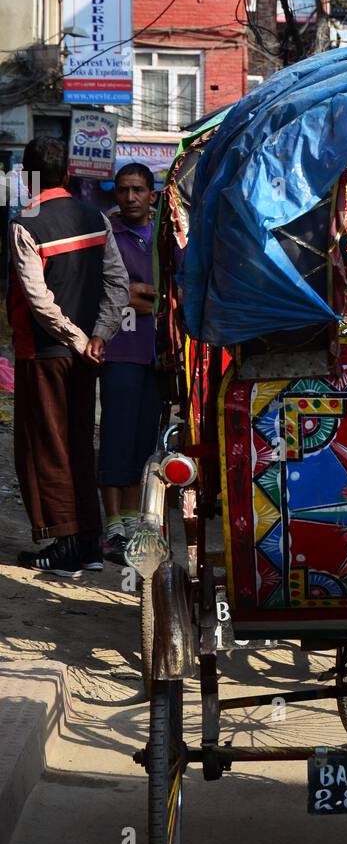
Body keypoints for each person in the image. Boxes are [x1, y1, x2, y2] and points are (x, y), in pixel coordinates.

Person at [7, 136, 129, 577]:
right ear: (68, 175)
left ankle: (65, 546)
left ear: (27, 176)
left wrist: (78, 339)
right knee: (79, 441)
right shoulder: (94, 216)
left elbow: (37, 300)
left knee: (48, 446)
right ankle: (90, 542)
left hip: (45, 352)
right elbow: (118, 284)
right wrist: (99, 336)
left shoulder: (27, 223)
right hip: (87, 354)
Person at [98, 163, 163, 564]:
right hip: (120, 348)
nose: (130, 197)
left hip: (158, 354)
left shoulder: (166, 234)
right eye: (123, 190)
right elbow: (113, 294)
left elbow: (174, 292)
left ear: (151, 195)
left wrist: (141, 292)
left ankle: (138, 522)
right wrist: (138, 295)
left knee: (144, 442)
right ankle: (113, 527)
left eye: (138, 190)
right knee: (116, 439)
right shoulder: (108, 232)